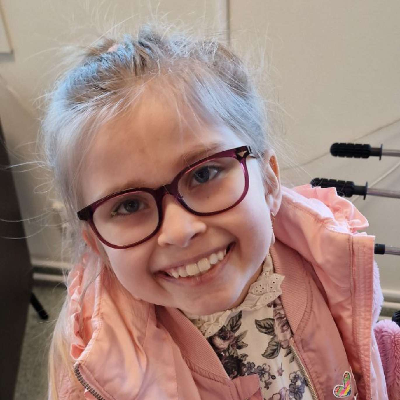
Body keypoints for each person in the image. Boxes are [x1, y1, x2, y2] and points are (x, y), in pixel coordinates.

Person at [42, 25, 389, 400]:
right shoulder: (96, 373)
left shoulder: (328, 258)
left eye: (204, 174)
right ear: (97, 243)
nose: (179, 231)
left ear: (268, 180)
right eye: (129, 205)